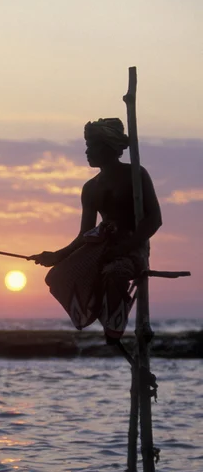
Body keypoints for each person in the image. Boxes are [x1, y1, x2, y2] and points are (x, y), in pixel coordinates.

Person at [29, 118, 162, 342]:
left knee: (114, 273)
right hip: (100, 248)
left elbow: (154, 220)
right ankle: (99, 309)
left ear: (109, 146)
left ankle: (114, 325)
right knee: (58, 276)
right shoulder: (90, 188)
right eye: (87, 145)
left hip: (132, 250)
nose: (87, 151)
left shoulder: (136, 175)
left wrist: (125, 247)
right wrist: (57, 256)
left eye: (92, 145)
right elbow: (85, 234)